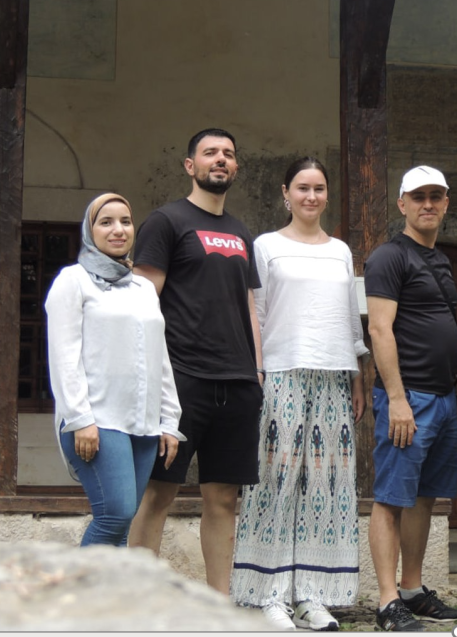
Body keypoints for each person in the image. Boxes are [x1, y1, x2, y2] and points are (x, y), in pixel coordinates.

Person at [230, 157, 369, 631]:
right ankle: (268, 593)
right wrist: (259, 371)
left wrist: (356, 375)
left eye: (319, 188)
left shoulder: (341, 251)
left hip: (333, 376)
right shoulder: (266, 246)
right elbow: (257, 311)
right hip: (282, 372)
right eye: (302, 188)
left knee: (327, 486)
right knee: (276, 480)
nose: (311, 196)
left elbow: (351, 318)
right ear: (285, 194)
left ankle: (313, 594)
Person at [127, 128, 265, 595]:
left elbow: (247, 306)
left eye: (228, 153)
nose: (220, 160)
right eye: (210, 153)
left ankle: (218, 606)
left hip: (239, 383)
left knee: (224, 498)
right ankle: (139, 599)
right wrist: (151, 380)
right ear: (191, 165)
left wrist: (257, 371)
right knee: (157, 493)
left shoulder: (241, 231)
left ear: (236, 167)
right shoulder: (166, 222)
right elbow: (143, 304)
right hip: (181, 380)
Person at [364, 165, 457, 632]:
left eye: (436, 196)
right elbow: (379, 328)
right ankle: (387, 600)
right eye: (419, 196)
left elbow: (439, 316)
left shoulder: (440, 260)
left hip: (444, 398)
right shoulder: (389, 257)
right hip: (408, 399)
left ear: (446, 203)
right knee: (391, 499)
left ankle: (411, 588)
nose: (428, 204)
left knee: (425, 498)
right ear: (402, 203)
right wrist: (397, 398)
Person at [45, 193, 184, 547]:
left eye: (125, 221)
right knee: (115, 515)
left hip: (143, 422)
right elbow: (64, 356)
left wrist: (169, 421)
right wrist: (80, 419)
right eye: (106, 222)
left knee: (121, 526)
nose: (118, 229)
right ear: (90, 231)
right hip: (97, 420)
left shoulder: (142, 288)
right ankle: (74, 600)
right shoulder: (72, 280)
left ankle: (109, 601)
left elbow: (159, 357)